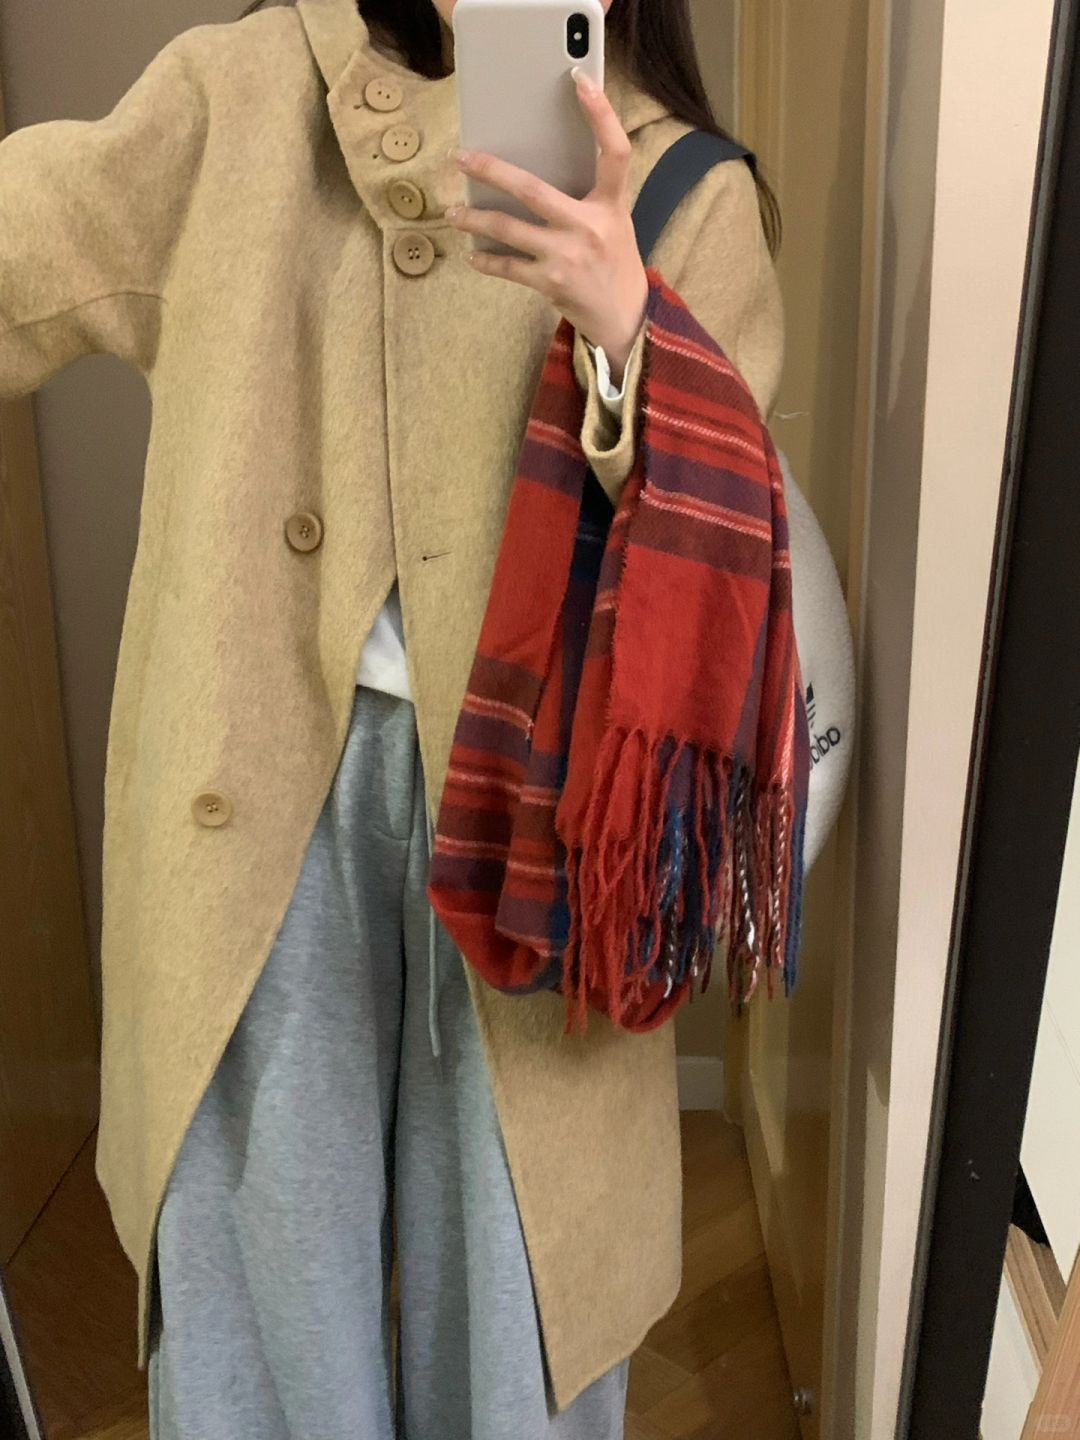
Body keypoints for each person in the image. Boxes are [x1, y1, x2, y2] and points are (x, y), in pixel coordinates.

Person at [0, 0, 790, 1434]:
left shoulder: (681, 185)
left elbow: (725, 556)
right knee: (262, 1284)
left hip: (534, 817)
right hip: (254, 801)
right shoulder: (239, 96)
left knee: (520, 1288)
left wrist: (629, 326)